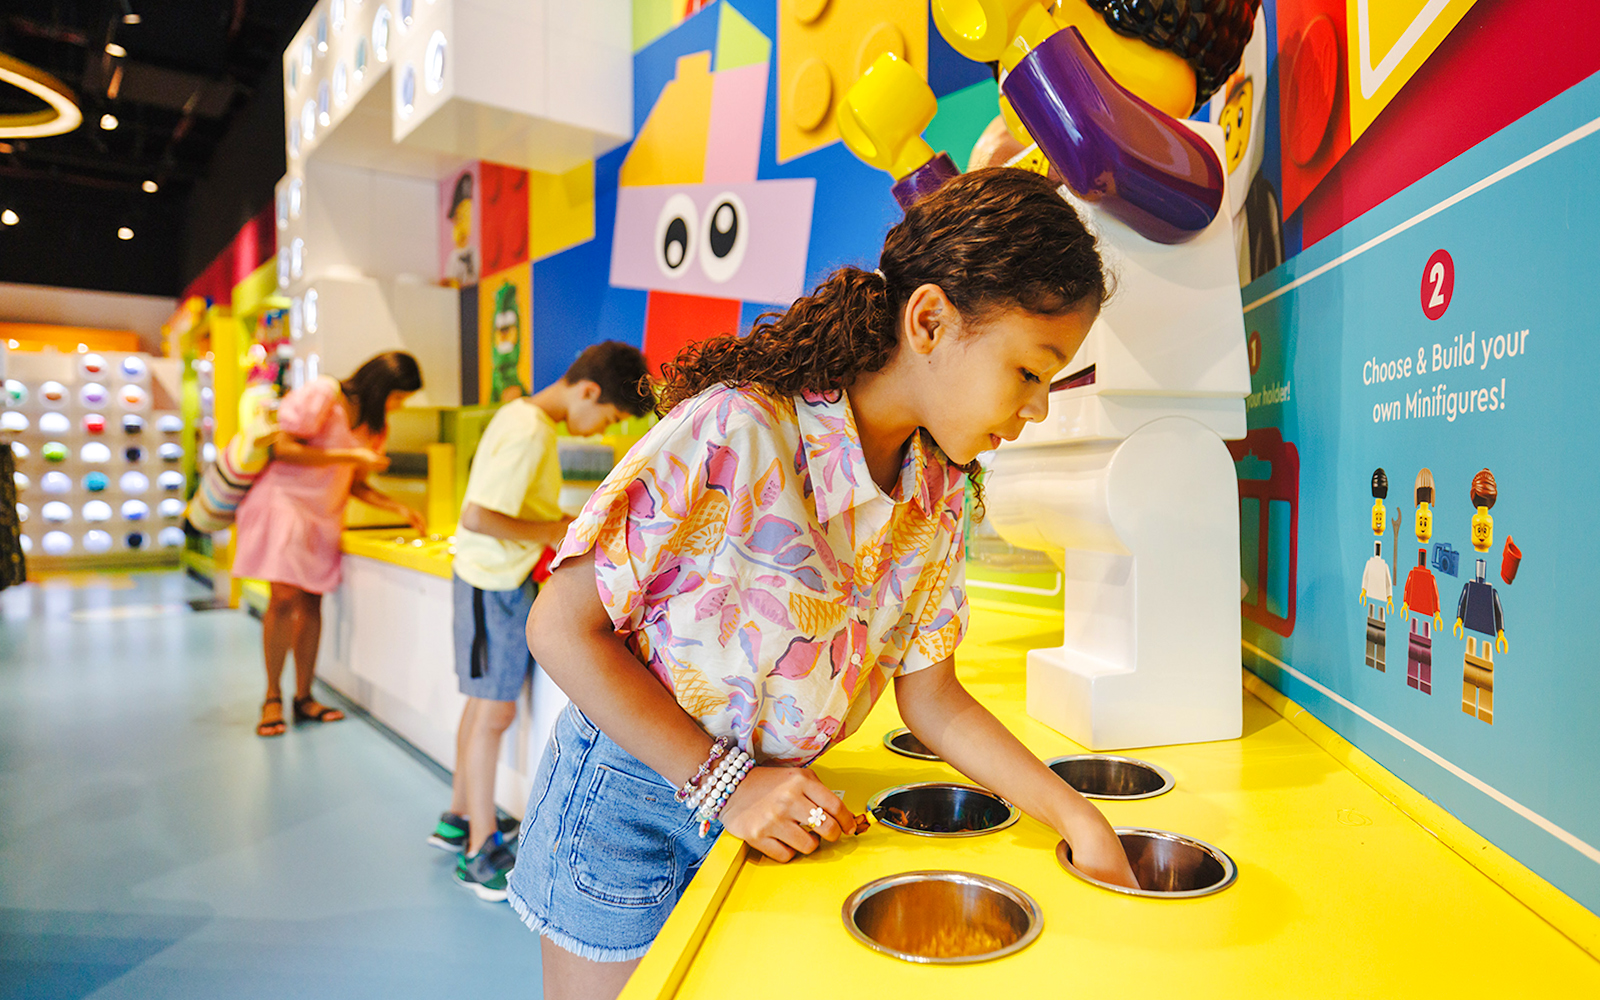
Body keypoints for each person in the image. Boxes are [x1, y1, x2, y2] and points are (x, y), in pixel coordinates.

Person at [512, 168, 1140, 1000]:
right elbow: (559, 627)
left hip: (769, 803)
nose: (1039, 410)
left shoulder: (940, 491)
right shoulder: (737, 427)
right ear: (929, 320)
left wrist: (1076, 817)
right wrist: (723, 783)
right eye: (1030, 372)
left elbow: (935, 699)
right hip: (634, 805)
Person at [431, 342, 654, 902]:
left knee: (480, 706)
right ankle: (480, 848)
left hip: (486, 581)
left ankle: (459, 816)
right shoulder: (532, 431)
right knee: (495, 714)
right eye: (607, 418)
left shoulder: (519, 415)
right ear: (588, 391)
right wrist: (556, 530)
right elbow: (478, 515)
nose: (601, 431)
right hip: (495, 585)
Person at [235, 352, 425, 738]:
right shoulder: (325, 393)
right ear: (381, 385)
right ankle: (272, 697)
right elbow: (281, 448)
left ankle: (304, 697)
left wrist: (400, 508)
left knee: (312, 602)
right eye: (397, 397)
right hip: (285, 505)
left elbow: (353, 484)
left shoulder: (376, 426)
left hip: (324, 518)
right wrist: (349, 454)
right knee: (283, 598)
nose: (398, 406)